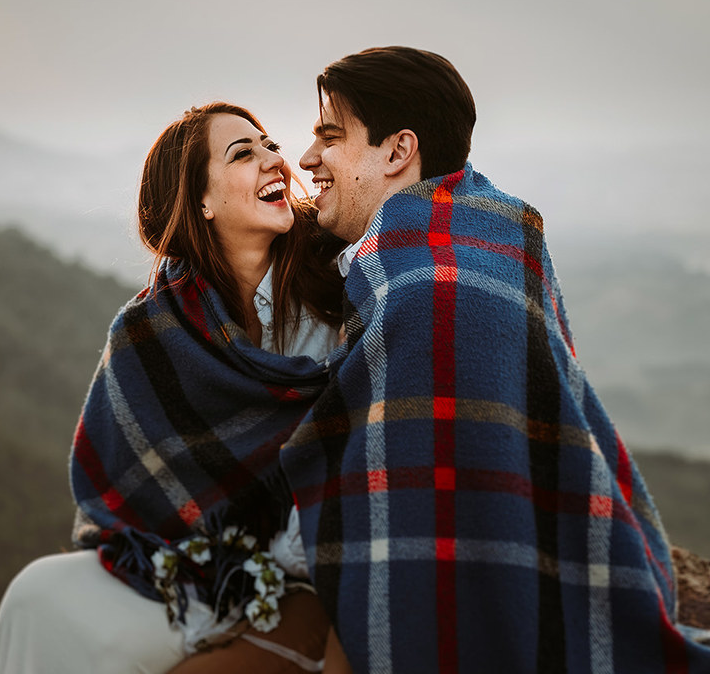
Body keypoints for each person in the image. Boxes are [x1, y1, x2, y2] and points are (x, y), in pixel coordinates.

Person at [279, 46, 710, 672]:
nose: (308, 158)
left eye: (330, 136)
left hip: (457, 587)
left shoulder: (424, 287)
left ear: (398, 151)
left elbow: (415, 495)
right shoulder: (493, 232)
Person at [0, 102, 353, 673]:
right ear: (201, 202)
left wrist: (268, 577)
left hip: (297, 575)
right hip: (181, 564)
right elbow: (126, 485)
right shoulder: (151, 329)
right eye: (243, 153)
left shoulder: (338, 299)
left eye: (269, 145)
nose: (275, 161)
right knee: (35, 596)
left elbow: (345, 467)